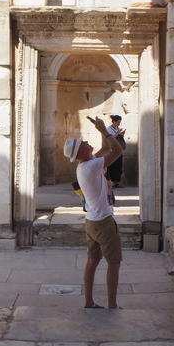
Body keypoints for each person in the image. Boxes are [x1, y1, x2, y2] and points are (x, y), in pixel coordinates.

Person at [63, 116, 124, 309]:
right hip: (103, 221)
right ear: (82, 151)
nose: (88, 142)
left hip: (91, 220)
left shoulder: (86, 164)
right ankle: (112, 305)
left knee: (92, 261)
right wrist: (105, 132)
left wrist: (103, 133)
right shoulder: (91, 166)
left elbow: (106, 149)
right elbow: (118, 151)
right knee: (114, 263)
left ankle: (89, 302)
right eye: (84, 143)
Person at [106, 115, 126, 187]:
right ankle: (110, 183)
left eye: (120, 122)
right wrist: (118, 133)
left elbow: (119, 138)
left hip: (118, 149)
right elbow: (110, 138)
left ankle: (117, 182)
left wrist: (122, 134)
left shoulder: (118, 128)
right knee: (112, 167)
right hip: (112, 150)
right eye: (118, 122)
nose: (119, 124)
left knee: (118, 166)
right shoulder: (109, 129)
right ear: (114, 121)